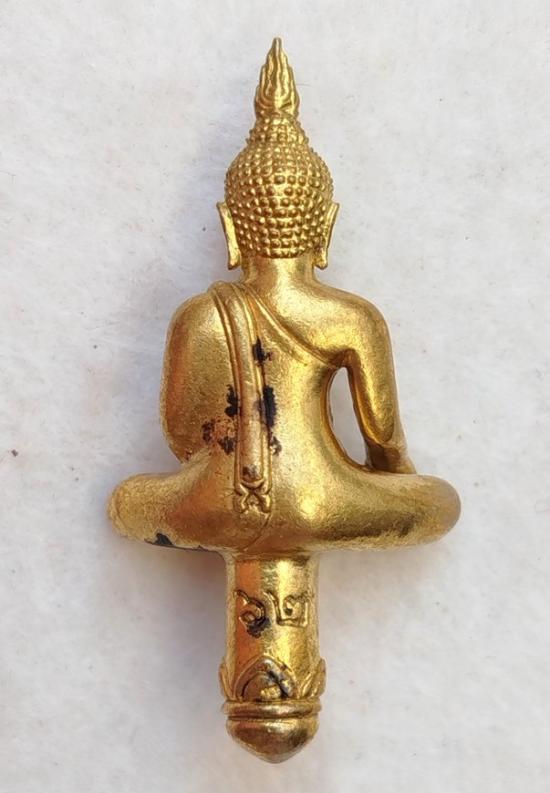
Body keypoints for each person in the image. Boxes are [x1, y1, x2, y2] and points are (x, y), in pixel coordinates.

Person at [109, 39, 460, 555]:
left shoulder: (199, 316)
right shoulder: (350, 317)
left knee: (127, 500)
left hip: (217, 504)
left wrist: (226, 473)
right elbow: (384, 442)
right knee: (439, 500)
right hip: (324, 498)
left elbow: (183, 437)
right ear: (326, 228)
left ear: (231, 229)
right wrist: (396, 482)